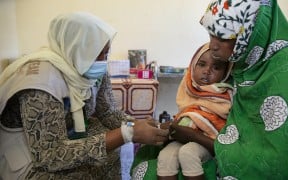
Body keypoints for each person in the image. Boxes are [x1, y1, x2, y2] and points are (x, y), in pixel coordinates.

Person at [132, 0, 288, 179]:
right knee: (153, 159)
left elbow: (279, 161)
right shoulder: (244, 62)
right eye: (211, 34)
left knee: (181, 160)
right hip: (221, 143)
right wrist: (179, 128)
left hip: (247, 161)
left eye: (222, 37)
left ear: (251, 33)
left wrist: (195, 137)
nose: (212, 45)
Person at [0, 12, 169, 180]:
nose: (104, 60)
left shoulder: (90, 67)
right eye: (99, 53)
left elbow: (108, 112)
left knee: (113, 151)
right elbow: (49, 156)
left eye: (107, 52)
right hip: (28, 156)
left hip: (69, 134)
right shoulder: (41, 82)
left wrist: (137, 124)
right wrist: (128, 133)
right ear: (76, 48)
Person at [157, 43, 233, 180]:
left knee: (188, 153)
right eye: (202, 64)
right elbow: (186, 115)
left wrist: (192, 132)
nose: (207, 70)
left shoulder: (224, 94)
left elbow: (223, 124)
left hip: (208, 139)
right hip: (182, 136)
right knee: (165, 157)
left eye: (216, 67)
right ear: (193, 66)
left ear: (225, 73)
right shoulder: (187, 87)